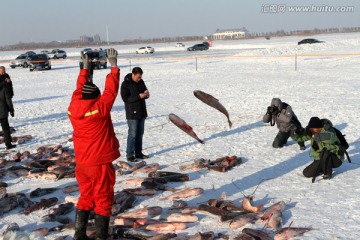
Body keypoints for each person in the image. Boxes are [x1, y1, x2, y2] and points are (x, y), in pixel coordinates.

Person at [68, 48, 120, 240]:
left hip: (82, 164)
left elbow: (79, 87)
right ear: (96, 98)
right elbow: (111, 92)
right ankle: (101, 236)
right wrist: (113, 66)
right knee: (103, 198)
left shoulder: (74, 106)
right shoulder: (99, 110)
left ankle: (79, 234)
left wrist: (85, 69)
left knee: (86, 196)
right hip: (100, 164)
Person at [120, 67, 149, 162]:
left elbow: (145, 91)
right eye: (137, 77)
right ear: (133, 74)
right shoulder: (126, 84)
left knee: (140, 134)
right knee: (132, 134)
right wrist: (138, 96)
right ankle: (130, 155)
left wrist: (146, 94)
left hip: (142, 111)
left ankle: (138, 153)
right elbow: (125, 99)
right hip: (132, 113)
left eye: (140, 77)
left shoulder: (141, 82)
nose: (139, 79)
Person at [0, 67, 15, 150]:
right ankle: (8, 145)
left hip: (3, 111)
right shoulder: (4, 89)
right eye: (1, 72)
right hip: (3, 111)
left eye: (3, 71)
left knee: (5, 129)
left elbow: (10, 87)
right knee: (5, 129)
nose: (3, 73)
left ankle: (8, 144)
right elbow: (8, 100)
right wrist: (12, 110)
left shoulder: (7, 76)